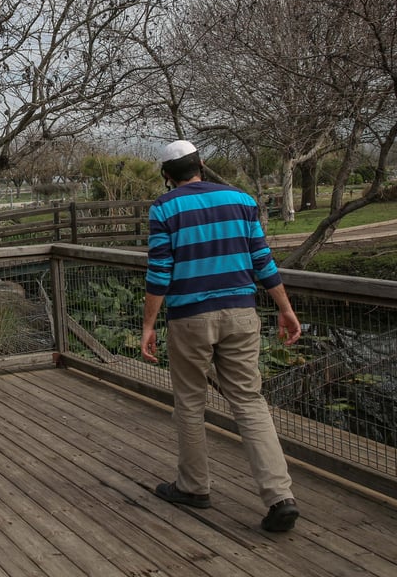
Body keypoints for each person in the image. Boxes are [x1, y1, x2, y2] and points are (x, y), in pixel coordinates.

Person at [141, 139, 303, 533]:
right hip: (241, 314)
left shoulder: (164, 208)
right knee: (249, 401)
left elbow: (160, 272)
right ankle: (280, 496)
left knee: (190, 404)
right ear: (201, 164)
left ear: (167, 174)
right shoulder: (243, 201)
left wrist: (148, 325)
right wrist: (284, 307)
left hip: (191, 319)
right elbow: (262, 260)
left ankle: (194, 487)